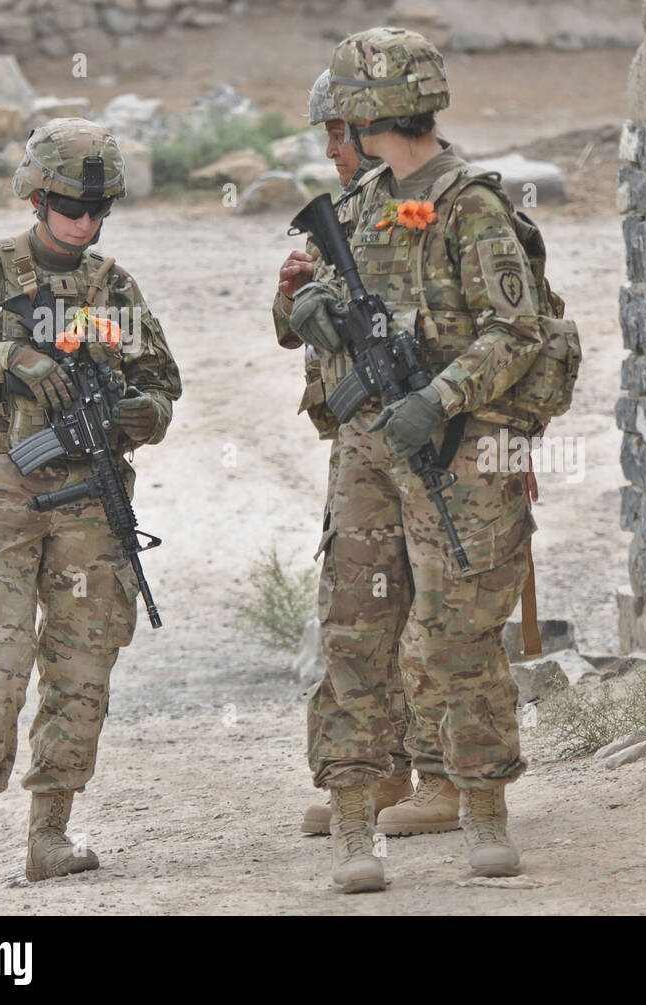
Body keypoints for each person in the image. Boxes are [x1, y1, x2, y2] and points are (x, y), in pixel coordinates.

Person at [292, 25, 550, 893]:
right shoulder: (365, 203)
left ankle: (483, 808)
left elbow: (515, 332)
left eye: (346, 115)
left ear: (368, 111)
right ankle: (357, 825)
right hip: (366, 445)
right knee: (355, 631)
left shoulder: (471, 203)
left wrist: (436, 400)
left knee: (458, 632)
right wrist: (311, 311)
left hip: (456, 447)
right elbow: (326, 305)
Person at [0, 117, 181, 890]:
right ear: (34, 195)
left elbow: (163, 385)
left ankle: (51, 831)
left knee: (82, 660)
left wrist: (141, 415)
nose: (84, 221)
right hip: (0, 488)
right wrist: (6, 358)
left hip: (92, 495)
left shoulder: (114, 287)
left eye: (98, 209)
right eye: (68, 204)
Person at [274, 70, 462, 838]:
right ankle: (379, 770)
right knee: (360, 608)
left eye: (337, 134)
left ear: (369, 126)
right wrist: (296, 300)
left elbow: (469, 314)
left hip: (436, 431)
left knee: (436, 609)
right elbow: (297, 327)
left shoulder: (439, 199)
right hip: (362, 443)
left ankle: (446, 776)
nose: (331, 151)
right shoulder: (347, 210)